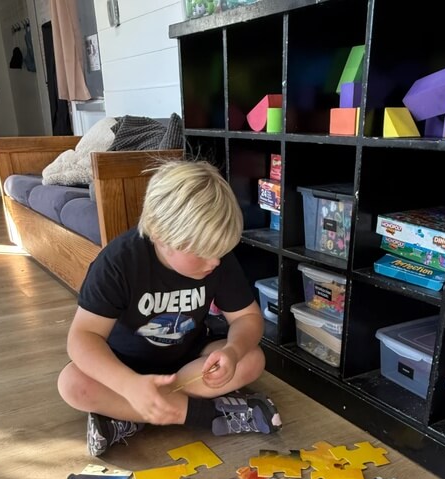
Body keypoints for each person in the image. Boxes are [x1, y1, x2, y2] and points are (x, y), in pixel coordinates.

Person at [57, 158, 282, 457]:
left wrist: (232, 351)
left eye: (220, 252)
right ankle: (201, 414)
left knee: (252, 359)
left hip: (185, 365)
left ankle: (127, 418)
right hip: (124, 365)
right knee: (72, 384)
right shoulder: (120, 261)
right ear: (162, 237)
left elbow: (248, 318)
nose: (214, 262)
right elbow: (82, 337)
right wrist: (127, 384)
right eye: (203, 254)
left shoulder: (217, 260)